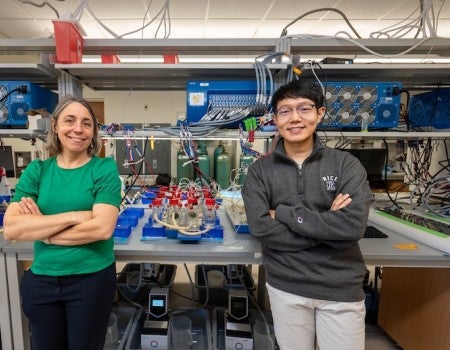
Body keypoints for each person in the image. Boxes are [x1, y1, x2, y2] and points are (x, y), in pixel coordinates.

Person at [241, 80, 373, 350]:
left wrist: (286, 214)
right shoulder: (260, 172)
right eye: (285, 111)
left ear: (320, 113)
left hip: (340, 288)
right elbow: (262, 228)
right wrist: (327, 228)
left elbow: (350, 228)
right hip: (286, 286)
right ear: (275, 118)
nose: (295, 118)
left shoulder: (346, 165)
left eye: (304, 108)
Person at [3, 95, 122, 350]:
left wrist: (41, 228)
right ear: (55, 126)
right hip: (42, 282)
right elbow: (12, 228)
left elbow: (102, 228)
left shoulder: (103, 169)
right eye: (70, 120)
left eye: (86, 123)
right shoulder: (38, 170)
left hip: (90, 281)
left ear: (93, 132)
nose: (78, 129)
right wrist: (75, 216)